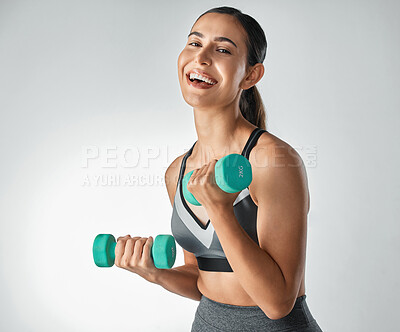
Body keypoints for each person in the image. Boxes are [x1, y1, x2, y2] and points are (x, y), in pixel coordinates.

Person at [114, 6, 323, 332]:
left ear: (250, 75)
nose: (201, 57)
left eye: (222, 49)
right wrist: (155, 274)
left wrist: (220, 210)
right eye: (195, 43)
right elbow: (202, 278)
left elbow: (278, 302)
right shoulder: (177, 173)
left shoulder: (272, 161)